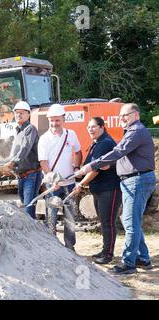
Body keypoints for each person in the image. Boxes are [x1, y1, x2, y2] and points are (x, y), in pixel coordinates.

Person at [79, 103, 156, 274]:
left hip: (137, 180)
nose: (121, 119)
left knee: (130, 222)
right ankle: (143, 258)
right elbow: (123, 154)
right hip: (134, 180)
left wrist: (93, 164)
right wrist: (111, 163)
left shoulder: (135, 131)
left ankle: (128, 263)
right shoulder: (133, 131)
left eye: (125, 115)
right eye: (120, 116)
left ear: (135, 115)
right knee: (131, 221)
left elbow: (119, 151)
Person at [72, 117, 122, 264]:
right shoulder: (97, 143)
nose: (90, 130)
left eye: (93, 127)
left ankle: (108, 254)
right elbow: (88, 165)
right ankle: (105, 250)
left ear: (102, 127)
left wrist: (81, 184)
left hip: (109, 189)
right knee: (103, 221)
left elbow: (95, 169)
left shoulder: (105, 143)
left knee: (108, 222)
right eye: (88, 127)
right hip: (99, 189)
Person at [38, 104, 82, 250]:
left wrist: (76, 167)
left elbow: (78, 152)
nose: (55, 123)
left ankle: (70, 247)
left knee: (70, 217)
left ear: (63, 119)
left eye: (57, 120)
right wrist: (52, 177)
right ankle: (53, 248)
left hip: (69, 183)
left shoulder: (71, 134)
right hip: (53, 186)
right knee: (52, 216)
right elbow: (43, 162)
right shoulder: (44, 139)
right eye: (52, 120)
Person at [0, 101, 41, 219]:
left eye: (21, 113)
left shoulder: (30, 129)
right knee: (25, 204)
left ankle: (32, 234)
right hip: (21, 175)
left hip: (31, 174)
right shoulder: (18, 131)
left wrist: (12, 164)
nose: (18, 115)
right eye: (16, 113)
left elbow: (24, 149)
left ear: (28, 114)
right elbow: (16, 152)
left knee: (28, 206)